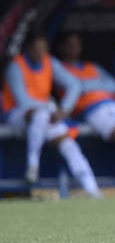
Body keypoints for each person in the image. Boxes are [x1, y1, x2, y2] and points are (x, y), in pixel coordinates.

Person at [1, 31, 102, 198]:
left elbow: (74, 85)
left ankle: (92, 188)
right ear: (28, 49)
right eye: (36, 49)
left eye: (43, 49)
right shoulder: (15, 66)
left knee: (68, 144)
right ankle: (32, 164)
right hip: (16, 115)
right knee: (40, 115)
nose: (40, 53)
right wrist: (50, 107)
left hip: (45, 117)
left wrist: (64, 109)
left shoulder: (49, 62)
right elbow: (22, 100)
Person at [56, 32, 115, 193]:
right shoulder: (60, 69)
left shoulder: (92, 67)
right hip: (91, 110)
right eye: (70, 44)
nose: (74, 48)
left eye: (77, 44)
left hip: (112, 104)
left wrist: (85, 85)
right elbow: (74, 87)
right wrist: (94, 84)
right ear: (61, 47)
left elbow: (112, 85)